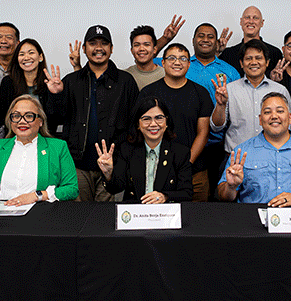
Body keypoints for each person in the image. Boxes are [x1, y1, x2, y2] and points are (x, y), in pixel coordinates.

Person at [44, 25, 139, 201]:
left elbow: (135, 125)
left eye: (104, 43)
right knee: (79, 219)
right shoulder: (71, 81)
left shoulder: (126, 82)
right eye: (93, 43)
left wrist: (126, 159)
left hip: (114, 165)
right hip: (77, 165)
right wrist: (55, 95)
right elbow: (54, 120)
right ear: (84, 49)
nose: (98, 48)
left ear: (111, 49)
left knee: (108, 220)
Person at [218, 92, 291, 205]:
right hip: (253, 220)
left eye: (280, 111)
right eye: (267, 112)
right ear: (260, 119)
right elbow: (224, 197)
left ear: (290, 118)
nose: (274, 116)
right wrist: (231, 186)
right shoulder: (242, 152)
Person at [139, 43, 214, 201]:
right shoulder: (149, 93)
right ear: (163, 63)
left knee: (196, 221)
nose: (177, 62)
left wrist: (185, 164)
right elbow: (142, 129)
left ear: (189, 64)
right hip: (155, 171)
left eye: (182, 58)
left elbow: (203, 133)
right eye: (171, 58)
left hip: (195, 171)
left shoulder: (201, 93)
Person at [0, 95, 78, 203]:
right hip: (1, 213)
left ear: (40, 121)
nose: (22, 121)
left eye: (29, 116)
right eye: (16, 116)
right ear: (11, 121)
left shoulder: (58, 147)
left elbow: (72, 189)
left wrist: (38, 195)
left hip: (39, 214)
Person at [95, 97, 193, 203]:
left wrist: (165, 196)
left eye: (159, 118)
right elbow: (115, 189)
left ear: (166, 122)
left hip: (166, 214)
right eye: (146, 119)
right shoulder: (127, 150)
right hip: (135, 213)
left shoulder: (180, 152)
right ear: (138, 124)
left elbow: (187, 193)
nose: (153, 124)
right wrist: (109, 173)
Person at [210, 38, 291, 160]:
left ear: (267, 62)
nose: (254, 62)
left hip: (272, 158)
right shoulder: (229, 89)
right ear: (241, 63)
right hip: (235, 160)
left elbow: (287, 128)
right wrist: (221, 105)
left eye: (258, 58)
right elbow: (216, 127)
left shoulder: (280, 90)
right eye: (248, 58)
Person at [185, 22, 241, 197]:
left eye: (210, 37)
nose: (205, 40)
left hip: (218, 145)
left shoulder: (230, 71)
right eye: (201, 35)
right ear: (193, 40)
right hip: (186, 143)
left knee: (218, 196)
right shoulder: (182, 65)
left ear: (217, 42)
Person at [0, 37, 52, 128]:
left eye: (31, 53)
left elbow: (55, 119)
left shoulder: (49, 84)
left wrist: (55, 94)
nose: (26, 58)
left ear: (40, 57)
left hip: (44, 139)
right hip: (16, 138)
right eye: (21, 54)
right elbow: (0, 120)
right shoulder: (8, 82)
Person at [218, 6, 283, 76]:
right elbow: (216, 73)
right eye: (247, 17)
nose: (251, 21)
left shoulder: (275, 53)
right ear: (241, 21)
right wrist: (216, 52)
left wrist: (274, 79)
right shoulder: (228, 54)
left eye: (255, 18)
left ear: (262, 23)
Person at [123, 25, 165, 90]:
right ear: (132, 50)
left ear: (154, 49)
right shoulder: (124, 77)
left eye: (146, 44)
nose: (141, 49)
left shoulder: (166, 75)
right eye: (137, 45)